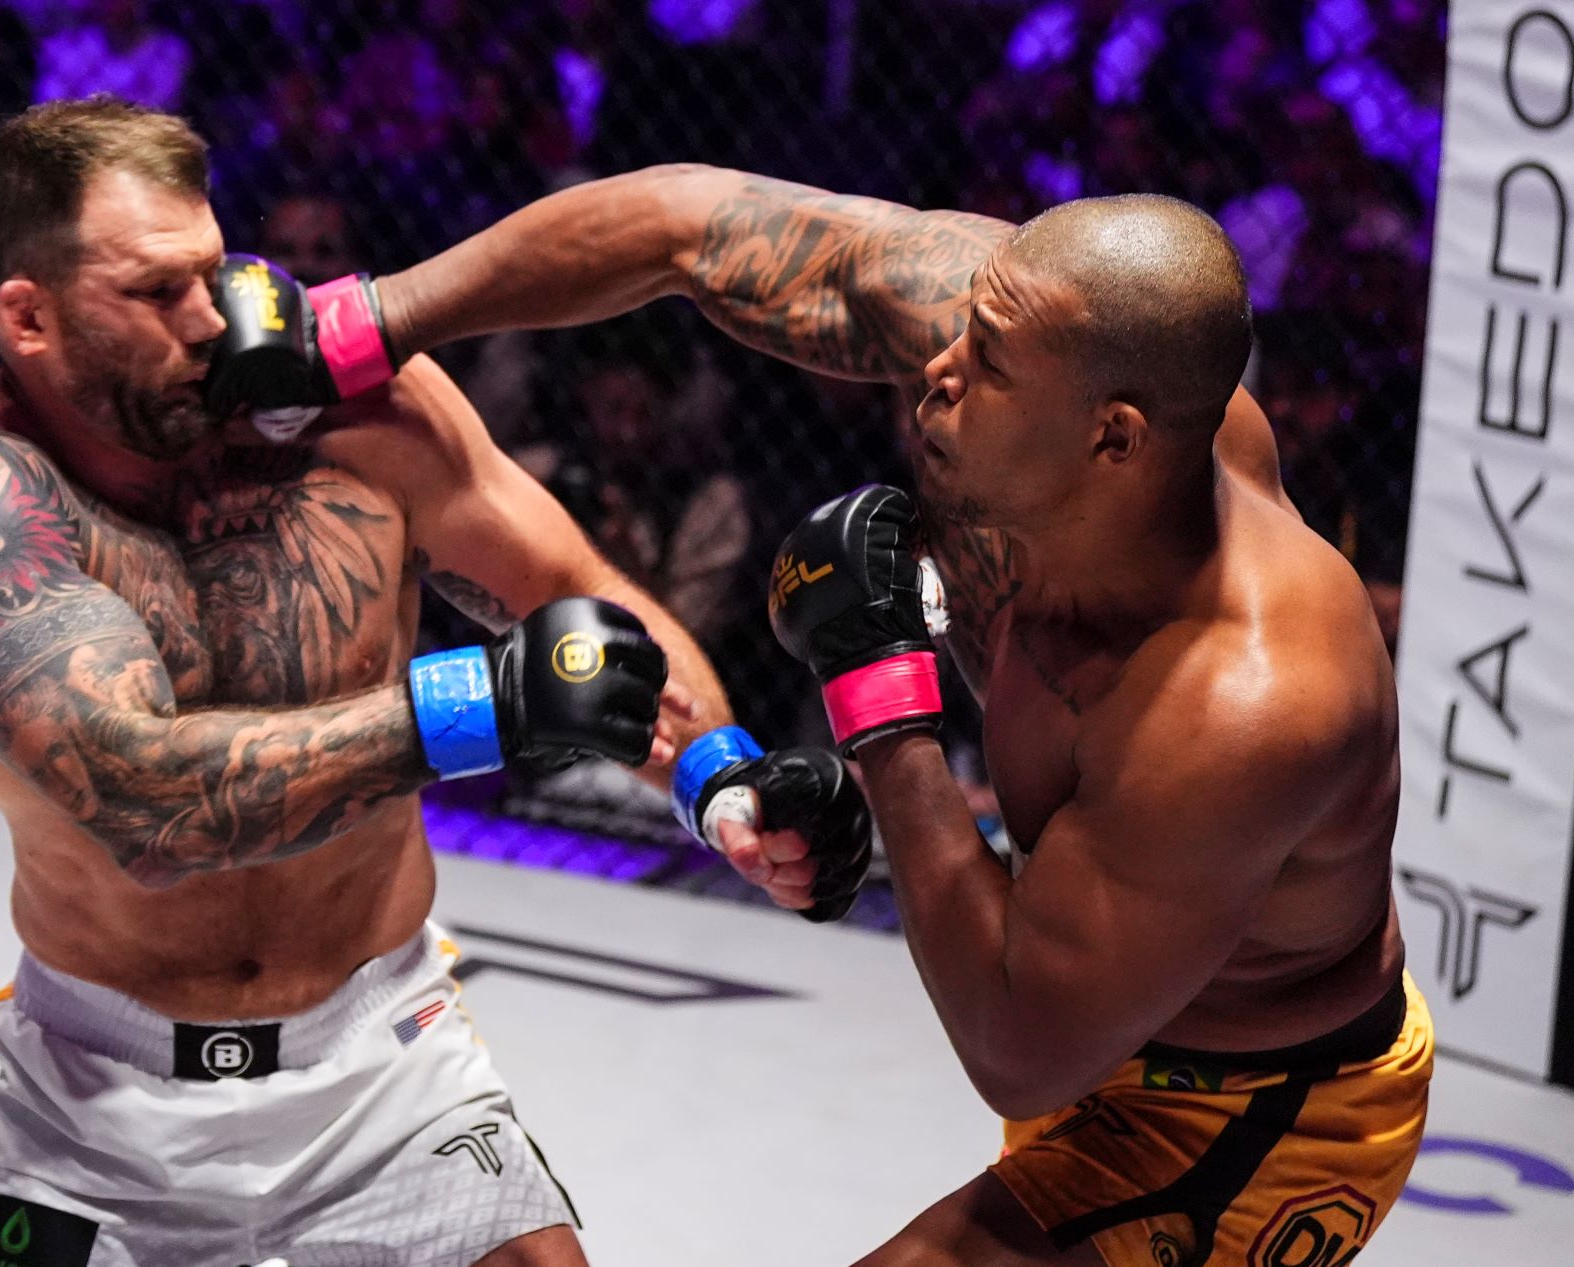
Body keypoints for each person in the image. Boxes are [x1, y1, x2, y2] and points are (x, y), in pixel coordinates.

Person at [332, 166, 1432, 1265]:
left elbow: (1019, 1049)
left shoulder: (1240, 702)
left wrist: (881, 701)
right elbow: (683, 226)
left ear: (1113, 439)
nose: (940, 370)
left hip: (1249, 1115)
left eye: (987, 361)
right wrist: (365, 324)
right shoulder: (1047, 337)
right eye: (968, 331)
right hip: (1090, 995)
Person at [0, 103, 870, 1267]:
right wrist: (481, 707)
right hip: (97, 1100)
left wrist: (722, 784)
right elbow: (142, 798)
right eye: (153, 292)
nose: (207, 318)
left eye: (209, 269)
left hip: (387, 1069)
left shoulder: (351, 416)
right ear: (28, 318)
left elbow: (573, 595)